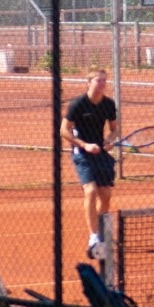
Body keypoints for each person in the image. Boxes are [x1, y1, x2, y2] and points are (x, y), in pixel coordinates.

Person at [61, 68, 118, 261]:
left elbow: (114, 129)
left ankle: (102, 233)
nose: (101, 84)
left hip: (100, 154)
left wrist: (109, 141)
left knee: (106, 196)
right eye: (98, 80)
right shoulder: (77, 104)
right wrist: (84, 145)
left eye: (104, 80)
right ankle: (93, 236)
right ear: (89, 83)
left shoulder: (108, 104)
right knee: (91, 191)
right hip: (82, 154)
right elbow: (64, 130)